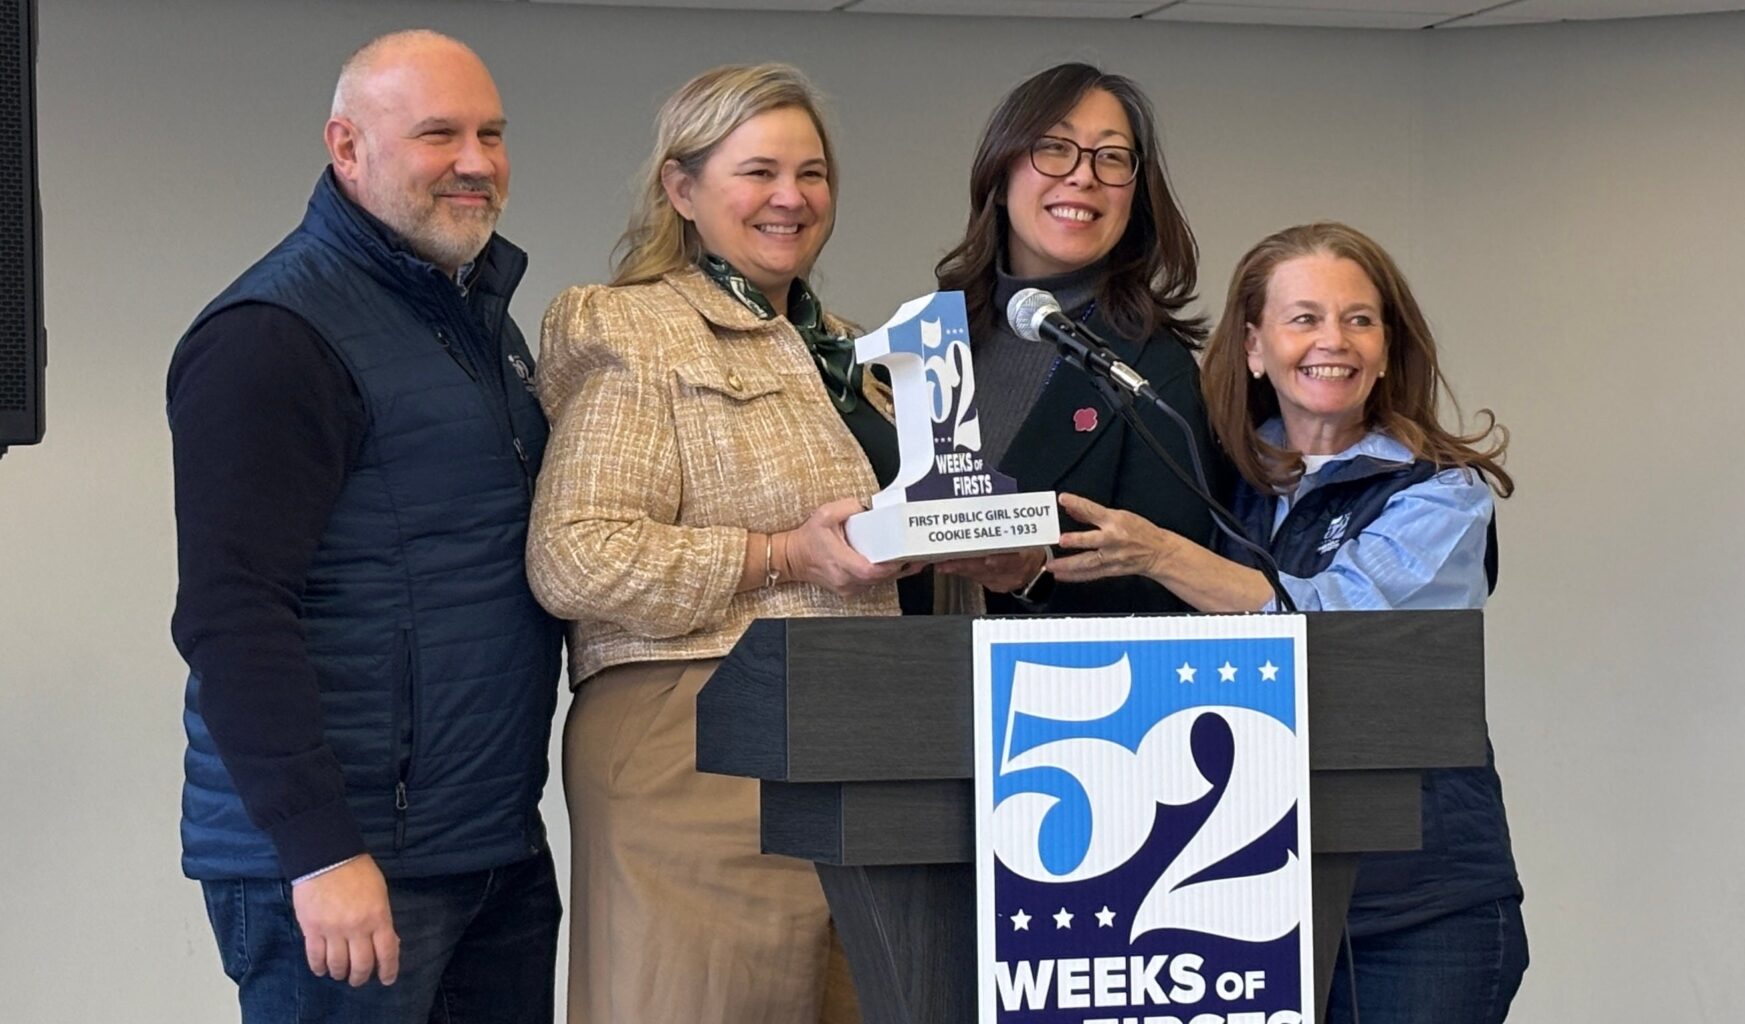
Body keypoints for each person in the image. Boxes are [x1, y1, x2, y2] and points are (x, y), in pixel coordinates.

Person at [167, 29, 564, 1023]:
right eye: (439, 135)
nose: (476, 161)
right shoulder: (274, 335)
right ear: (346, 146)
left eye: (491, 134)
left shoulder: (479, 322)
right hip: (350, 867)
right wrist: (320, 851)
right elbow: (232, 615)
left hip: (490, 850)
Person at [1051, 221, 1527, 1023]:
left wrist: (1164, 553)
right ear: (1253, 346)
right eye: (1304, 318)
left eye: (1359, 319)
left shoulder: (1442, 493)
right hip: (1232, 898)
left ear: (1387, 346)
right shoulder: (1208, 478)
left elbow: (1335, 621)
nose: (1332, 341)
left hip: (1416, 907)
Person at [526, 63, 913, 1024]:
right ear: (683, 188)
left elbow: (873, 558)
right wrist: (780, 554)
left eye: (812, 173)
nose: (792, 197)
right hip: (696, 748)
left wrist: (976, 554)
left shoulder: (857, 354)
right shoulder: (634, 327)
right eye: (759, 172)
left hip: (861, 747)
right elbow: (575, 555)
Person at [932, 62, 1220, 615]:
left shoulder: (1153, 371)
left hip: (1059, 668)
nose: (1084, 176)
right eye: (1054, 148)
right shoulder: (931, 338)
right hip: (898, 657)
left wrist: (1036, 574)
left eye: (1111, 157)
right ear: (999, 177)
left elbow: (1174, 592)